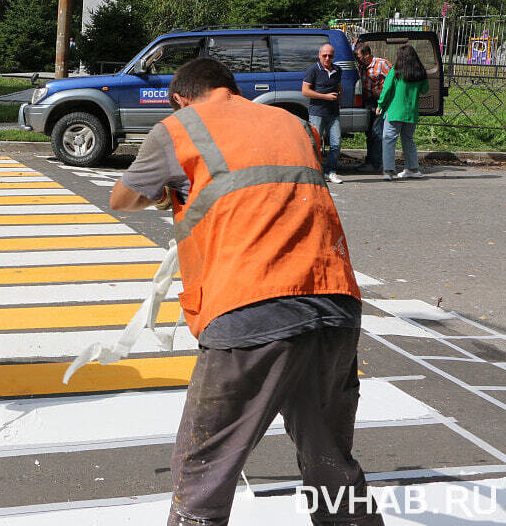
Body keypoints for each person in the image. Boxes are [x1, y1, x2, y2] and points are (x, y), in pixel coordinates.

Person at [111, 57, 383, 526]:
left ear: (180, 98)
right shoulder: (291, 122)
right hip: (333, 300)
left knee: (202, 473)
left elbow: (122, 198)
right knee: (331, 464)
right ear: (231, 88)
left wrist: (165, 193)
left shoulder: (178, 128)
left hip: (250, 307)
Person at [378, 45, 430, 181]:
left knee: (389, 140)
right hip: (411, 112)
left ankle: (389, 171)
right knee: (408, 139)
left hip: (395, 111)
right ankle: (412, 168)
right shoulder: (420, 73)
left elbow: (387, 89)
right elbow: (425, 90)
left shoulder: (396, 71)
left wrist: (380, 105)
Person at [302, 43, 344, 184]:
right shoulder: (313, 70)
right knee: (315, 143)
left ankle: (331, 171)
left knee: (336, 143)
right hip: (317, 112)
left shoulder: (338, 70)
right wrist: (325, 96)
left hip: (333, 112)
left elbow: (339, 87)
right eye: (324, 55)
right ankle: (315, 171)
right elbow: (305, 91)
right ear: (319, 55)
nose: (327, 58)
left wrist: (339, 99)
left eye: (330, 56)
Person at [354, 43, 392, 173]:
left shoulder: (382, 64)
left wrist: (382, 93)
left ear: (367, 55)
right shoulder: (361, 66)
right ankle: (370, 161)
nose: (357, 59)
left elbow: (395, 82)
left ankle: (375, 164)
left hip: (379, 102)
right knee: (370, 133)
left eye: (359, 56)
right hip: (367, 102)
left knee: (376, 133)